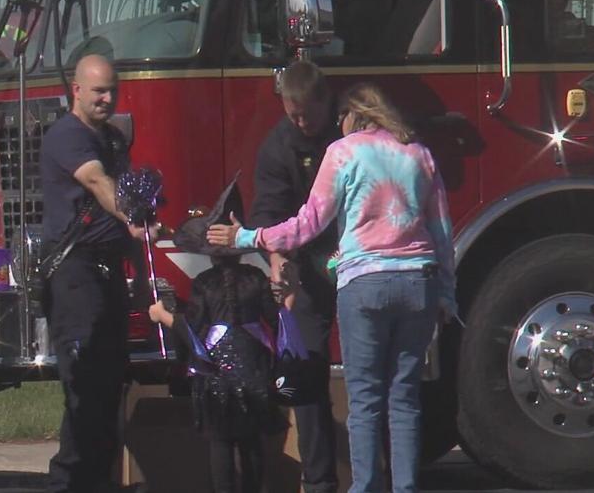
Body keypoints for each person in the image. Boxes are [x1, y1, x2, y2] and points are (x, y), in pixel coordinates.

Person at [208, 83, 456, 493]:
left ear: (351, 116)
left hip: (365, 283)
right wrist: (447, 294)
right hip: (419, 282)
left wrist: (246, 238)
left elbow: (308, 224)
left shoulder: (343, 153)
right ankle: (406, 487)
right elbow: (441, 231)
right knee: (404, 397)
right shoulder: (419, 153)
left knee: (365, 399)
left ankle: (364, 487)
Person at [40, 54, 149, 493]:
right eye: (99, 90)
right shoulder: (66, 136)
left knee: (108, 387)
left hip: (108, 274)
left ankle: (97, 482)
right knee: (82, 388)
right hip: (74, 274)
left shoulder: (113, 140)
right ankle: (66, 484)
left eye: (113, 91)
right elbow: (98, 183)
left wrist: (141, 276)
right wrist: (130, 212)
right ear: (77, 91)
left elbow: (128, 219)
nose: (107, 99)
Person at [148, 178, 284, 493]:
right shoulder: (256, 278)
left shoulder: (204, 284)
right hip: (253, 367)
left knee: (220, 440)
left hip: (217, 372)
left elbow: (192, 329)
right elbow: (275, 320)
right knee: (251, 440)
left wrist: (163, 315)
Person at [250, 60, 339, 493]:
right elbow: (269, 211)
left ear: (325, 100)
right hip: (306, 263)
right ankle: (320, 481)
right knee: (305, 371)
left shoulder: (348, 131)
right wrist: (277, 262)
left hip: (355, 257)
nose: (302, 122)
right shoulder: (277, 146)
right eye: (293, 113)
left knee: (367, 371)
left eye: (308, 113)